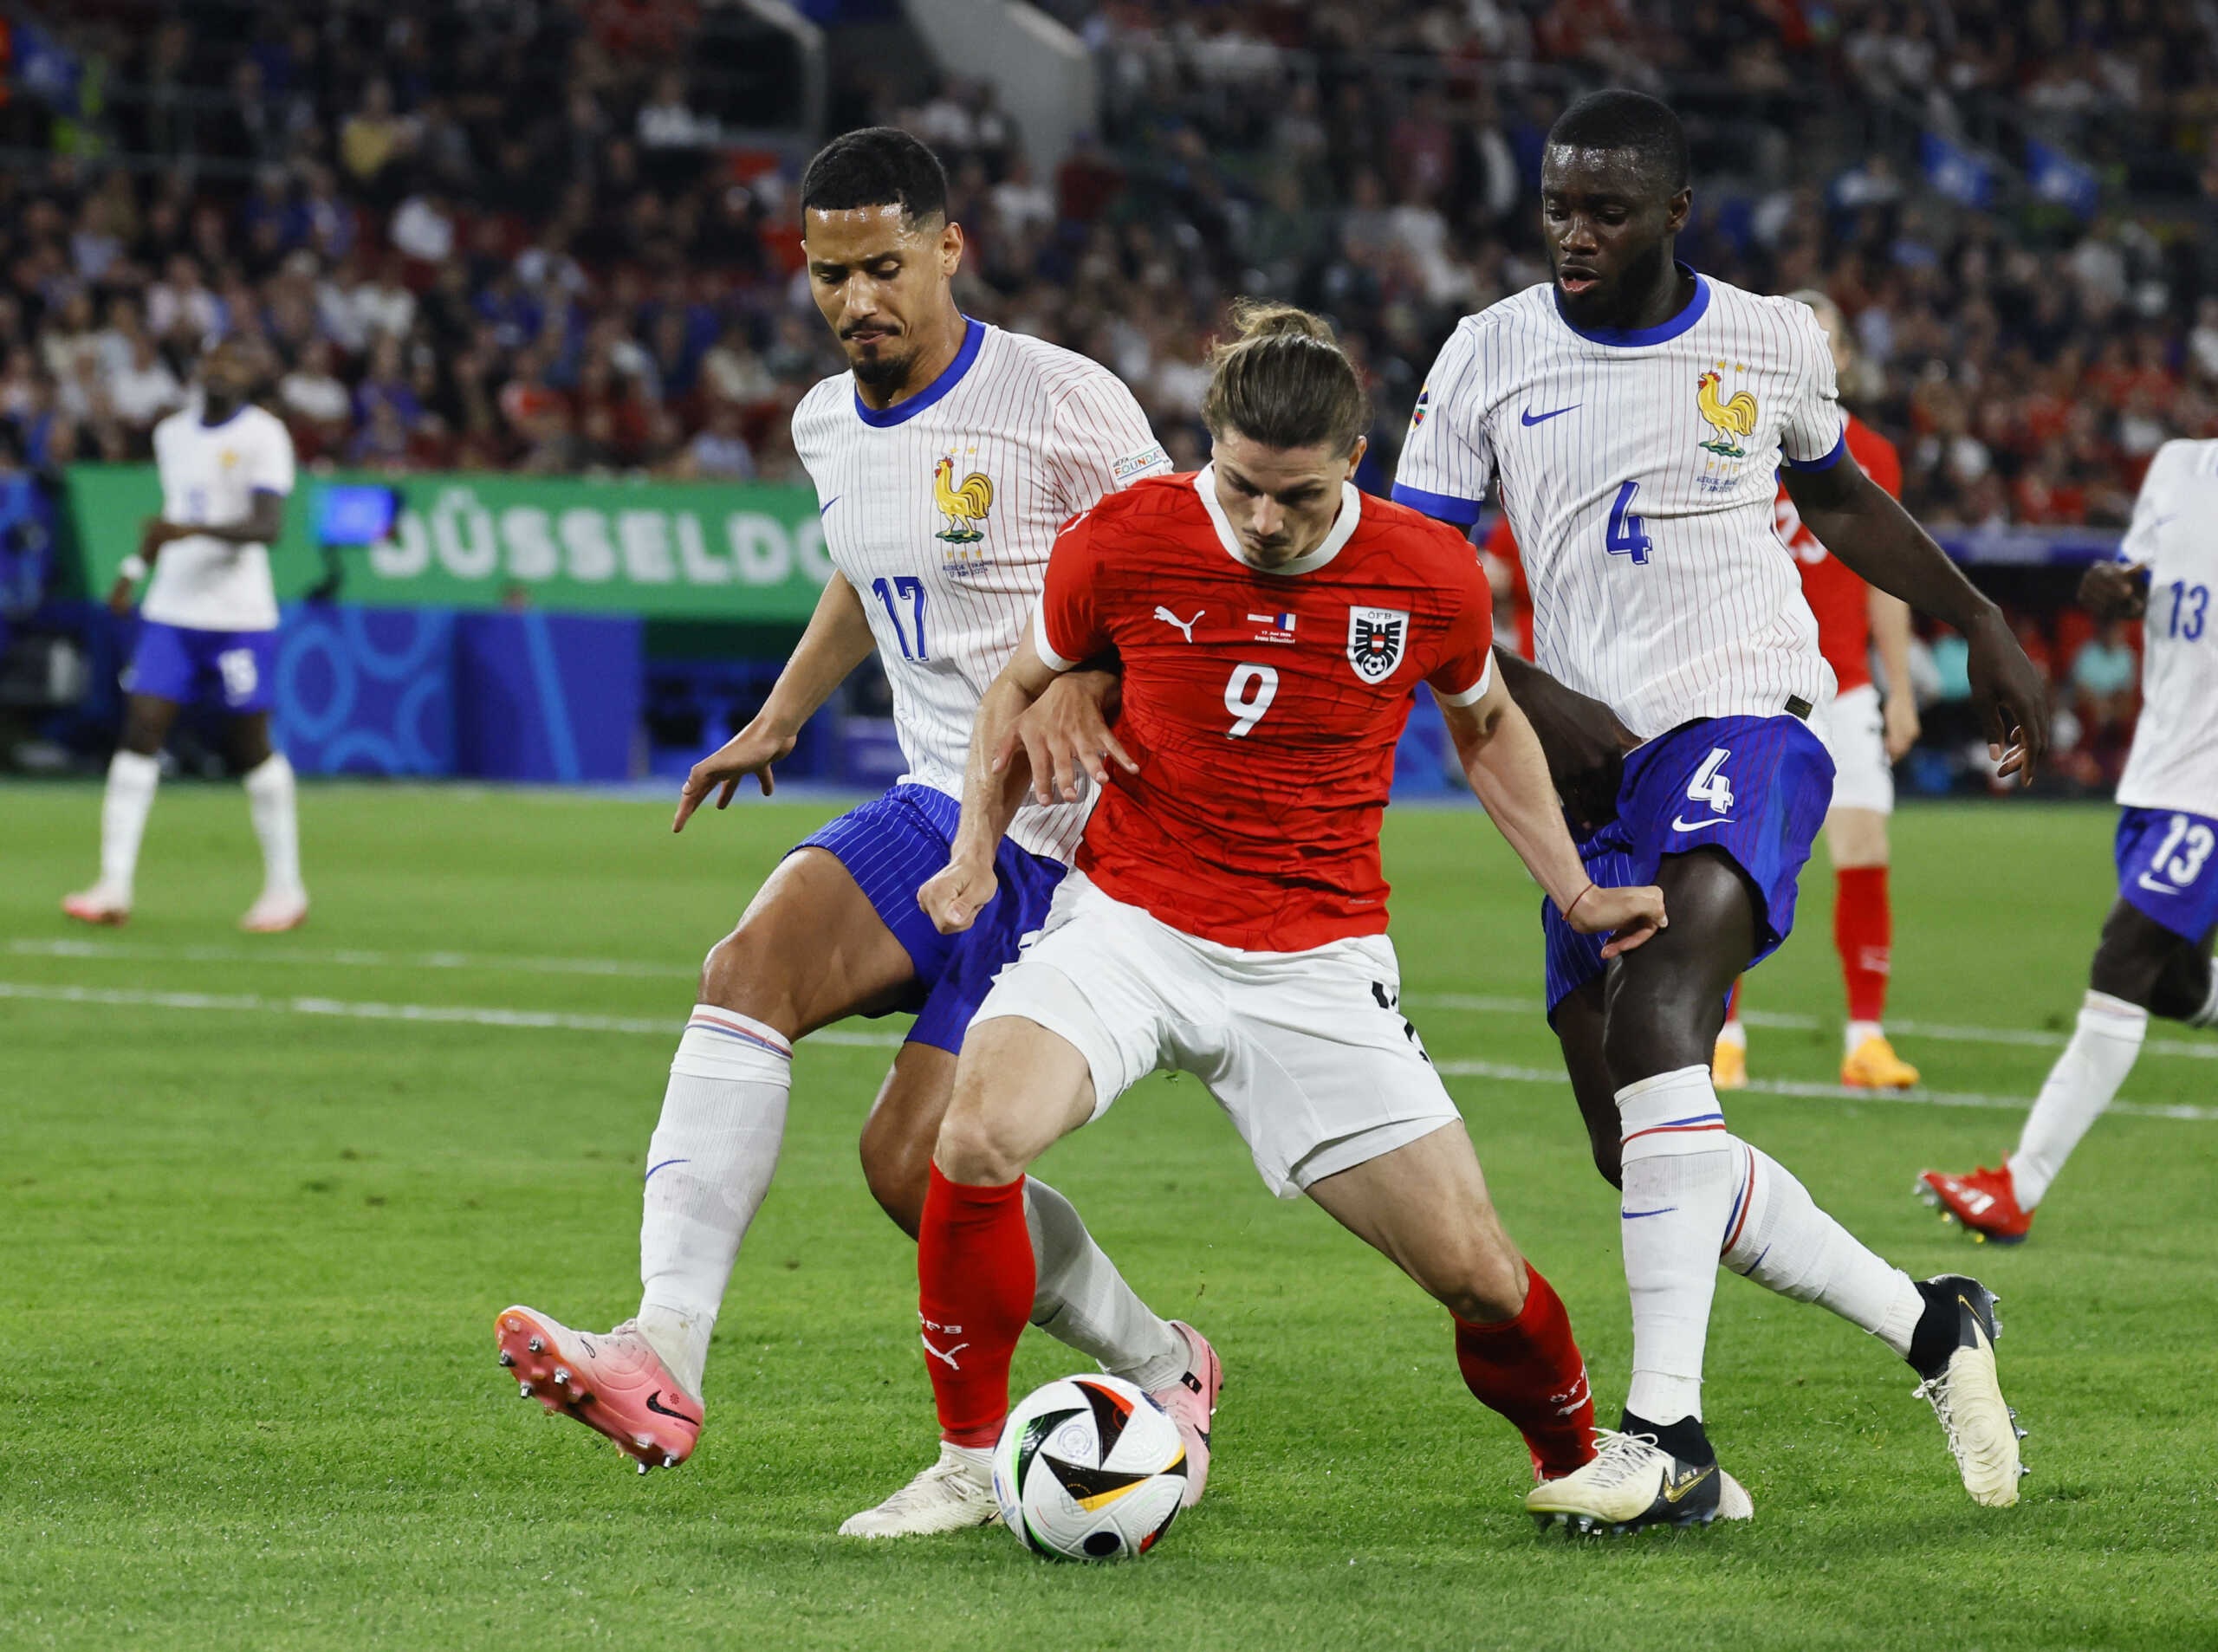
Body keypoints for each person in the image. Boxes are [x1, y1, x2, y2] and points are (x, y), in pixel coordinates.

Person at [493, 128, 1213, 1540]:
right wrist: (777, 715)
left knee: (914, 1164)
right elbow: (858, 559)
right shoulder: (830, 422)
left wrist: (1080, 681)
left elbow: (1177, 587)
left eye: (886, 266)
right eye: (831, 276)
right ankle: (663, 1352)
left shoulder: (1065, 402)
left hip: (1069, 837)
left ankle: (1156, 1361)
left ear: (952, 249)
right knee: (744, 967)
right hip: (929, 799)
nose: (858, 299)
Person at [893, 301, 1678, 1532]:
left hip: (1317, 960)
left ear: (1354, 461)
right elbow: (1021, 684)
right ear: (1209, 445)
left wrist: (1574, 886)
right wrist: (973, 854)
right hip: (1132, 922)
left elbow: (1485, 727)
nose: (1264, 520)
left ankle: (1584, 1454)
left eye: (1297, 497)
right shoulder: (1125, 538)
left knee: (1477, 1272)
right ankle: (962, 1463)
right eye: (1243, 486)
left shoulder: (1425, 571)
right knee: (977, 1132)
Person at [1391, 91, 2046, 1527]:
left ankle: (1669, 1434)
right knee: (1645, 1148)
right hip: (1584, 764)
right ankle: (1935, 1325)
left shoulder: (1767, 336)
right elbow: (1410, 569)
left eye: (1608, 209)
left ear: (1678, 211)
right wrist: (1521, 692)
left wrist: (1980, 617)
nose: (1576, 231)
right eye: (1559, 203)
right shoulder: (1489, 351)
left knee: (1664, 1014)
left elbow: (1847, 501)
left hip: (1750, 714)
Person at [1920, 440, 2218, 1241]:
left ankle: (2019, 1184)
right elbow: (2139, 580)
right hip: (2157, 778)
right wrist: (2116, 588)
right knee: (2176, 984)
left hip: (2210, 796)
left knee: (2125, 955)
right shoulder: (2177, 467)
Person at [1715, 289, 1923, 1092]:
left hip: (1846, 689)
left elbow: (1888, 580)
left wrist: (1900, 690)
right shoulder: (1731, 440)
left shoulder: (1872, 452)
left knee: (1864, 848)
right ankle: (1725, 1034)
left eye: (1824, 339)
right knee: (1735, 860)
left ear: (1839, 355)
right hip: (1754, 685)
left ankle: (1865, 1039)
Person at [63, 337, 307, 933]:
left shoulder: (263, 435)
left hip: (239, 615)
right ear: (199, 370)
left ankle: (285, 887)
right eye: (213, 360)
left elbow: (267, 526)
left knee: (249, 743)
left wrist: (188, 531)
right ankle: (113, 883)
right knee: (142, 727)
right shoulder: (172, 434)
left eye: (235, 361)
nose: (221, 370)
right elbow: (170, 518)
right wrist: (131, 571)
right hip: (174, 608)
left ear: (250, 375)